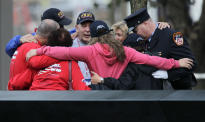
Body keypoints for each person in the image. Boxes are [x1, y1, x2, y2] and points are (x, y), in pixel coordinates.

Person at [26, 20, 193, 82]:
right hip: (120, 93)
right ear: (109, 33)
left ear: (94, 36)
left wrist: (40, 51)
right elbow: (151, 60)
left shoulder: (90, 51)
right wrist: (176, 62)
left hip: (98, 93)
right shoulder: (125, 50)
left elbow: (64, 53)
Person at [124, 8, 197, 89]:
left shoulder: (171, 36)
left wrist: (168, 74)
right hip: (153, 91)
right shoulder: (138, 39)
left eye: (135, 30)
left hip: (176, 91)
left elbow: (191, 63)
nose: (135, 34)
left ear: (145, 23)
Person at [90, 33, 171, 90]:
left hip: (138, 107)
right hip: (157, 106)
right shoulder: (157, 62)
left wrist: (102, 80)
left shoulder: (131, 67)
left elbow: (122, 85)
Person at [8, 19, 60, 90]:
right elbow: (29, 74)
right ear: (50, 37)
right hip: (22, 95)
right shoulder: (34, 49)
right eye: (56, 37)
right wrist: (62, 56)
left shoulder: (25, 45)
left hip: (16, 93)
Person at [5, 8, 72, 58]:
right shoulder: (33, 39)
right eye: (60, 26)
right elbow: (9, 49)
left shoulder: (65, 36)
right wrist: (18, 40)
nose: (62, 29)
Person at [72, 11, 95, 85]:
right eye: (84, 26)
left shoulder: (101, 45)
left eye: (91, 26)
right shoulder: (69, 45)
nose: (88, 30)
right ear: (77, 28)